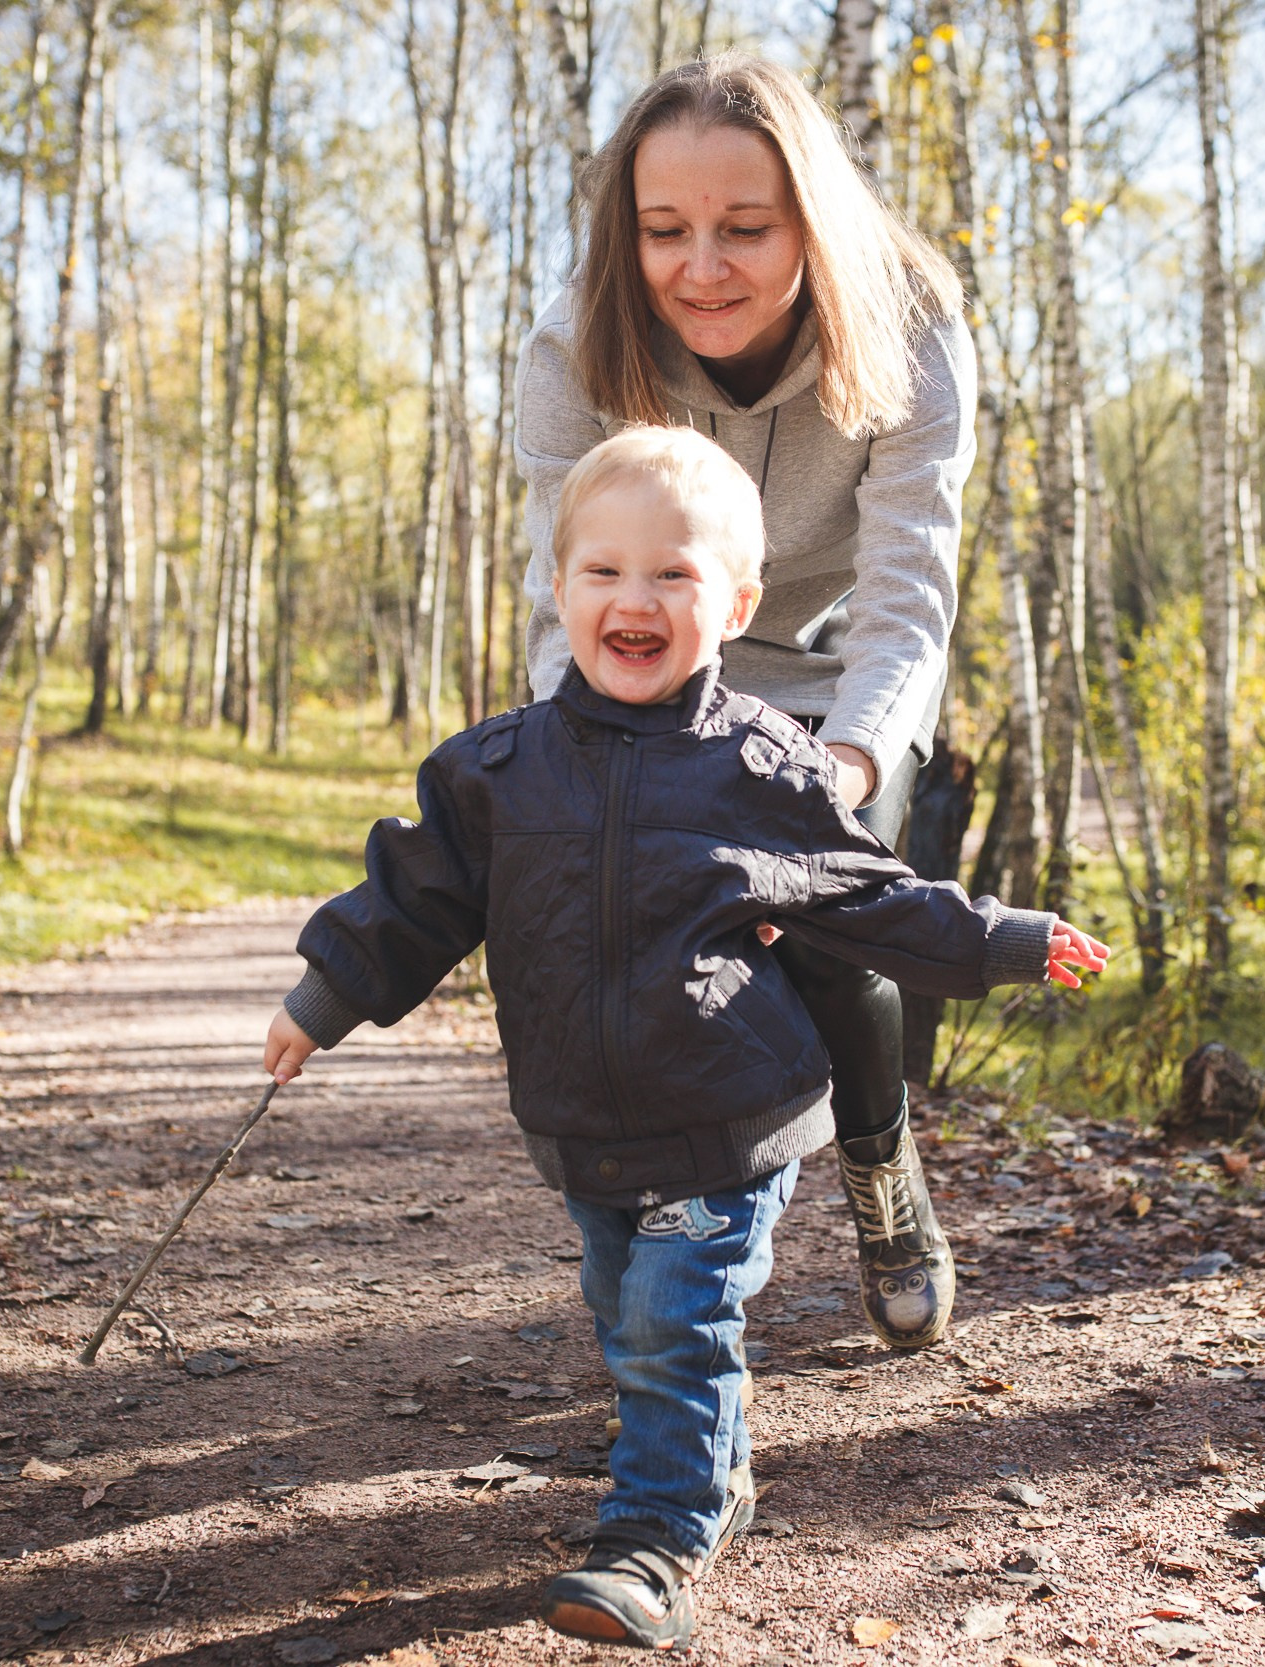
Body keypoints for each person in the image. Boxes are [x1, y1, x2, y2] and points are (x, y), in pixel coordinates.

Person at [263, 428, 1106, 1649]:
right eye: (603, 571)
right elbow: (414, 898)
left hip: (724, 1114)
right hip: (582, 1118)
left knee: (674, 1317)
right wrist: (322, 998)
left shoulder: (762, 770)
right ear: (560, 592)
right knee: (629, 1311)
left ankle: (657, 1532)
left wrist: (1006, 938)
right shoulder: (498, 771)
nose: (635, 598)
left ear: (739, 602)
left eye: (675, 573)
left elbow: (872, 899)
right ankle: (716, 1470)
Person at [514, 53, 977, 1352]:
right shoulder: (578, 343)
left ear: (811, 220)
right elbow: (569, 599)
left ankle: (881, 1163)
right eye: (666, 230)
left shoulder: (916, 326)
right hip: (655, 665)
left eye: (746, 228)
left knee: (826, 918)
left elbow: (907, 592)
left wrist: (847, 765)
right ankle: (679, 1259)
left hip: (835, 675)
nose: (702, 265)